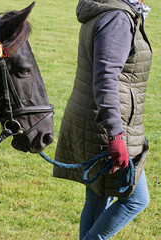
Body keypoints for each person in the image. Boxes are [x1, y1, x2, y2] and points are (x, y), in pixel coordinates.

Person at [53, 0, 152, 239]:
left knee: (98, 196)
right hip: (106, 126)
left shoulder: (109, 10)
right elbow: (106, 79)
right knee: (135, 200)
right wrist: (116, 135)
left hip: (95, 120)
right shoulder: (117, 17)